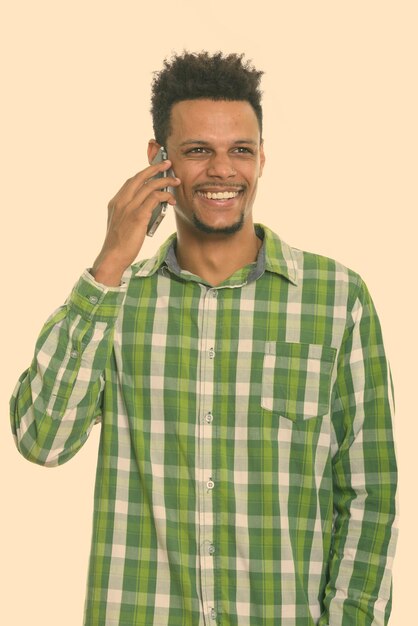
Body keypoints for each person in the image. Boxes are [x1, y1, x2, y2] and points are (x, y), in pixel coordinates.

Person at [10, 51, 398, 626]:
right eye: (198, 151)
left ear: (262, 158)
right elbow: (42, 438)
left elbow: (370, 495)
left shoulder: (336, 299)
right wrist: (113, 259)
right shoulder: (117, 300)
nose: (223, 171)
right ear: (158, 160)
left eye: (240, 150)